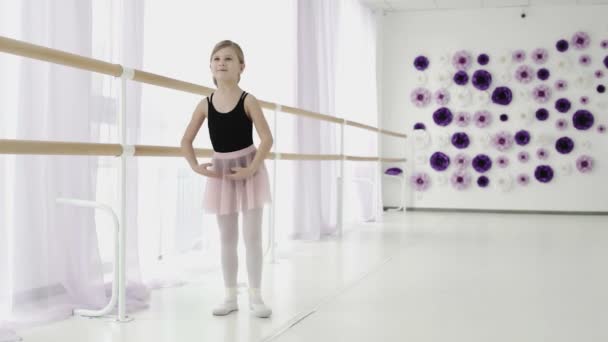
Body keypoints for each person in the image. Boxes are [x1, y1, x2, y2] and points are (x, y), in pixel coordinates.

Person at [181, 40, 273, 318]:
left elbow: (267, 139)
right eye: (217, 58)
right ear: (210, 66)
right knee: (227, 238)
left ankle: (256, 295)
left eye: (229, 59)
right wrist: (196, 166)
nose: (222, 62)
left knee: (252, 236)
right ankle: (230, 294)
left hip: (249, 169)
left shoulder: (249, 100)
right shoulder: (204, 104)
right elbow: (185, 141)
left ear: (241, 67)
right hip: (221, 174)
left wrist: (252, 168)